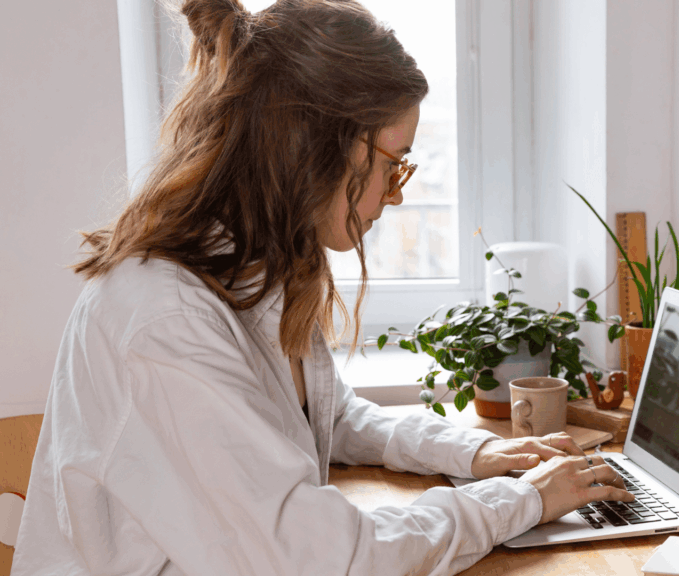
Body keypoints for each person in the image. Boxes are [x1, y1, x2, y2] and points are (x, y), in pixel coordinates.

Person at [11, 0, 633, 574]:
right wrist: (516, 501)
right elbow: (323, 558)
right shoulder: (164, 319)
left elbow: (324, 414)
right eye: (394, 164)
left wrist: (470, 454)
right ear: (316, 146)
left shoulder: (260, 269)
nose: (395, 195)